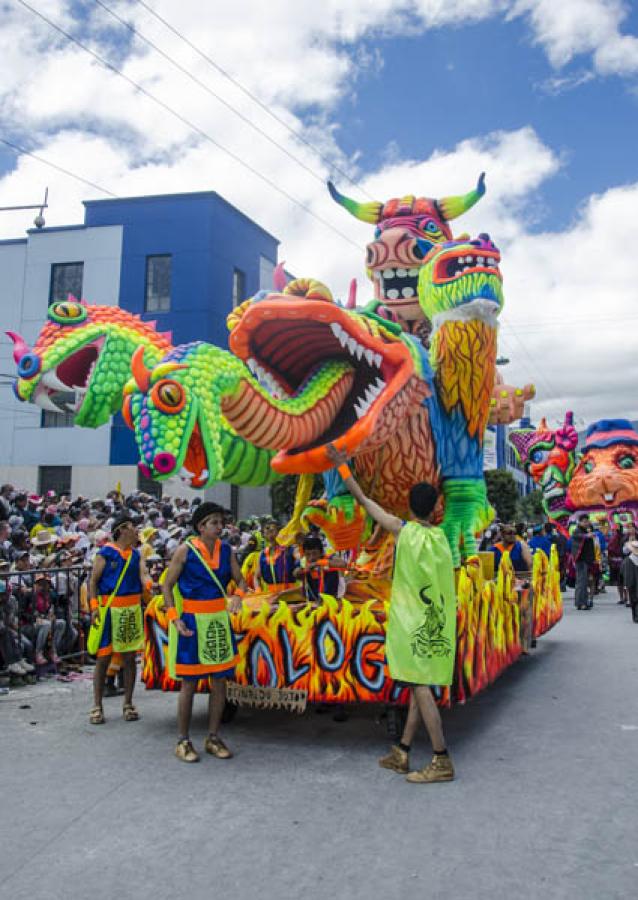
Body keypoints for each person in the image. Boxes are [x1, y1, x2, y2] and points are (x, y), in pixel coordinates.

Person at [327, 444, 456, 784]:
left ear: (410, 504)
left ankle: (441, 758)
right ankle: (402, 751)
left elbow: (364, 502)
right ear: (435, 507)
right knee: (420, 685)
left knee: (418, 685)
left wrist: (342, 468)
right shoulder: (442, 538)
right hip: (437, 621)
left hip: (411, 622)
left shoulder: (403, 530)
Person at [162, 502, 248, 763]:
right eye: (214, 523)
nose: (220, 527)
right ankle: (183, 740)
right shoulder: (185, 551)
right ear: (201, 527)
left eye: (221, 522)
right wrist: (174, 618)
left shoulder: (227, 551)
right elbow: (166, 586)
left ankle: (213, 737)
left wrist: (238, 596)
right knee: (189, 683)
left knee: (220, 682)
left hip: (218, 621)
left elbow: (241, 581)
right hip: (191, 622)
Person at [88, 513, 148, 725]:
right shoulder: (105, 553)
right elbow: (93, 582)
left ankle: (128, 703)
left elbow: (144, 576)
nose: (136, 530)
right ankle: (97, 705)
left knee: (129, 659)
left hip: (131, 610)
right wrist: (94, 607)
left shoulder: (137, 554)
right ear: (122, 529)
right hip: (109, 610)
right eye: (133, 526)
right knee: (103, 658)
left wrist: (150, 585)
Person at [293, 535, 347, 603]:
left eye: (314, 553)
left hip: (331, 601)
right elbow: (295, 574)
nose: (311, 557)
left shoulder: (329, 557)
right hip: (311, 601)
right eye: (308, 554)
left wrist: (318, 563)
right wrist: (299, 572)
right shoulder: (303, 562)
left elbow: (343, 564)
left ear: (321, 552)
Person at [257, 518, 297, 594]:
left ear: (280, 532)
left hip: (290, 594)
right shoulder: (263, 554)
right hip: (271, 595)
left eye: (272, 529)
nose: (269, 531)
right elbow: (256, 576)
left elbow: (301, 562)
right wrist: (258, 590)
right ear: (263, 534)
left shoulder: (289, 549)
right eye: (267, 528)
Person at [571, 514, 596, 610]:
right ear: (580, 522)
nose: (586, 523)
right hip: (580, 560)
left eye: (587, 521)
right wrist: (587, 536)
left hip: (586, 561)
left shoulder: (587, 530)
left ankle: (582, 602)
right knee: (582, 583)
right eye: (584, 521)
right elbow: (578, 536)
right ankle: (581, 603)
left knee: (584, 582)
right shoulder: (577, 531)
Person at [620, 540, 638, 622]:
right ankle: (635, 615)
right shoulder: (628, 560)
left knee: (634, 598)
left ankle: (636, 616)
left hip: (633, 582)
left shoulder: (627, 560)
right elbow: (625, 573)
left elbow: (623, 572)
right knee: (633, 598)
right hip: (632, 582)